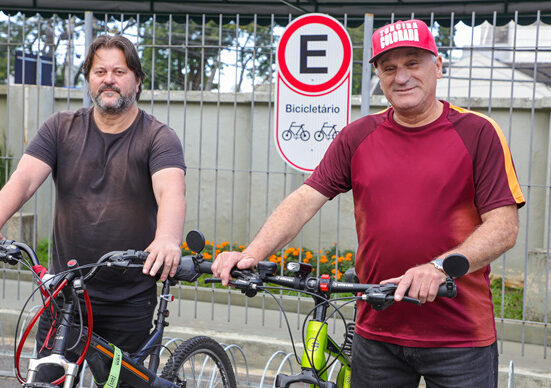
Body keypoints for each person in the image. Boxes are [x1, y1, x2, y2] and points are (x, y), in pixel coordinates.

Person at [212, 19, 525, 387]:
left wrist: (439, 268)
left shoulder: (478, 132)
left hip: (459, 337)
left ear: (437, 66)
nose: (401, 76)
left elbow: (504, 227)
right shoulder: (358, 136)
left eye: (412, 63)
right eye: (389, 68)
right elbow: (305, 198)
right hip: (377, 331)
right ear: (378, 74)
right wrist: (252, 253)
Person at [0, 35, 186, 385]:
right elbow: (22, 183)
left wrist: (167, 238)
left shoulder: (158, 137)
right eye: (99, 70)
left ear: (138, 80)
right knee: (48, 380)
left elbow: (171, 192)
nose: (109, 79)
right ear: (88, 78)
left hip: (128, 297)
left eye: (119, 70)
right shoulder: (59, 128)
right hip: (65, 296)